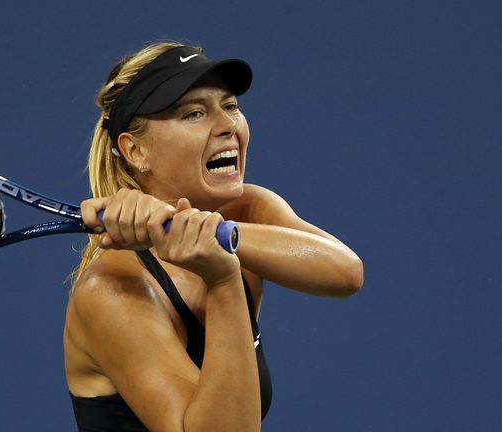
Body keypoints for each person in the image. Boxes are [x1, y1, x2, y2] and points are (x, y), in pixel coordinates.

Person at [65, 42, 364, 432]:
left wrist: (217, 235)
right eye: (193, 113)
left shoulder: (246, 209)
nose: (227, 125)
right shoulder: (111, 291)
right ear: (135, 150)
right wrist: (223, 280)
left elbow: (345, 273)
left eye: (231, 106)